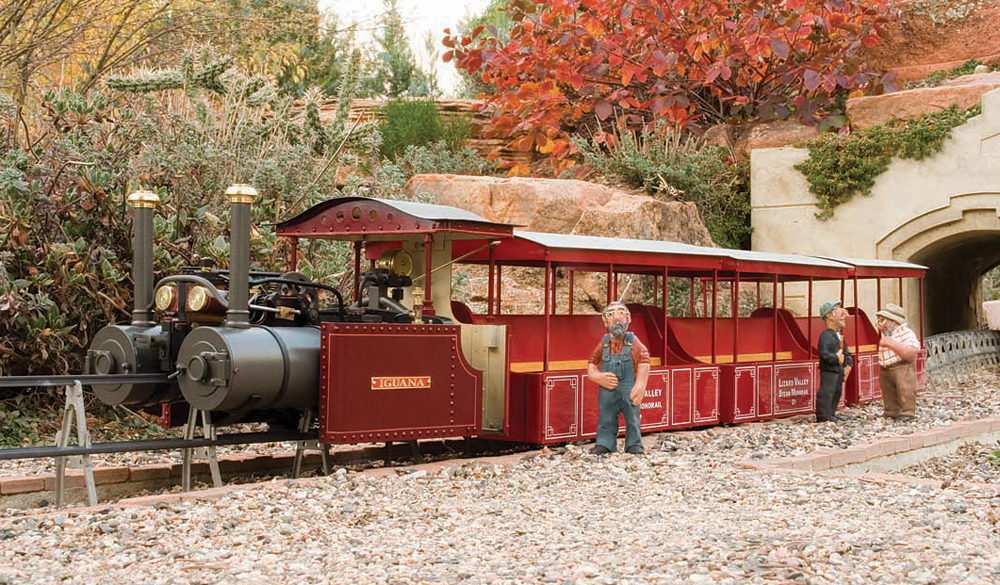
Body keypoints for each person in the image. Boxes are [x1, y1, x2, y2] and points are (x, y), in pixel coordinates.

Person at [587, 302, 650, 455]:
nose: (616, 318)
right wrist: (597, 377)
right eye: (611, 315)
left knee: (632, 417)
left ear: (627, 319)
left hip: (628, 387)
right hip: (607, 390)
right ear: (605, 321)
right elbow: (592, 364)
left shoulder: (634, 342)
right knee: (606, 417)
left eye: (620, 313)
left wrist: (640, 384)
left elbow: (644, 359)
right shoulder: (604, 344)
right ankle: (604, 444)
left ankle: (634, 444)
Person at [876, 303, 921, 422]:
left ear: (892, 321)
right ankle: (891, 411)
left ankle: (907, 411)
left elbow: (911, 352)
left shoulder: (905, 333)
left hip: (901, 367)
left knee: (905, 389)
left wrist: (891, 343)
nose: (880, 324)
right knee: (888, 390)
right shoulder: (888, 335)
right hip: (886, 367)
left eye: (882, 320)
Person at [816, 300, 852, 422]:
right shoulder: (826, 335)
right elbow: (824, 354)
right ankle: (823, 415)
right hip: (829, 370)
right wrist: (836, 358)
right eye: (838, 311)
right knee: (827, 391)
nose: (843, 315)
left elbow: (846, 351)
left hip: (838, 370)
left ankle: (832, 412)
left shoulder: (838, 336)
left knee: (837, 391)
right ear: (829, 316)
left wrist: (849, 363)